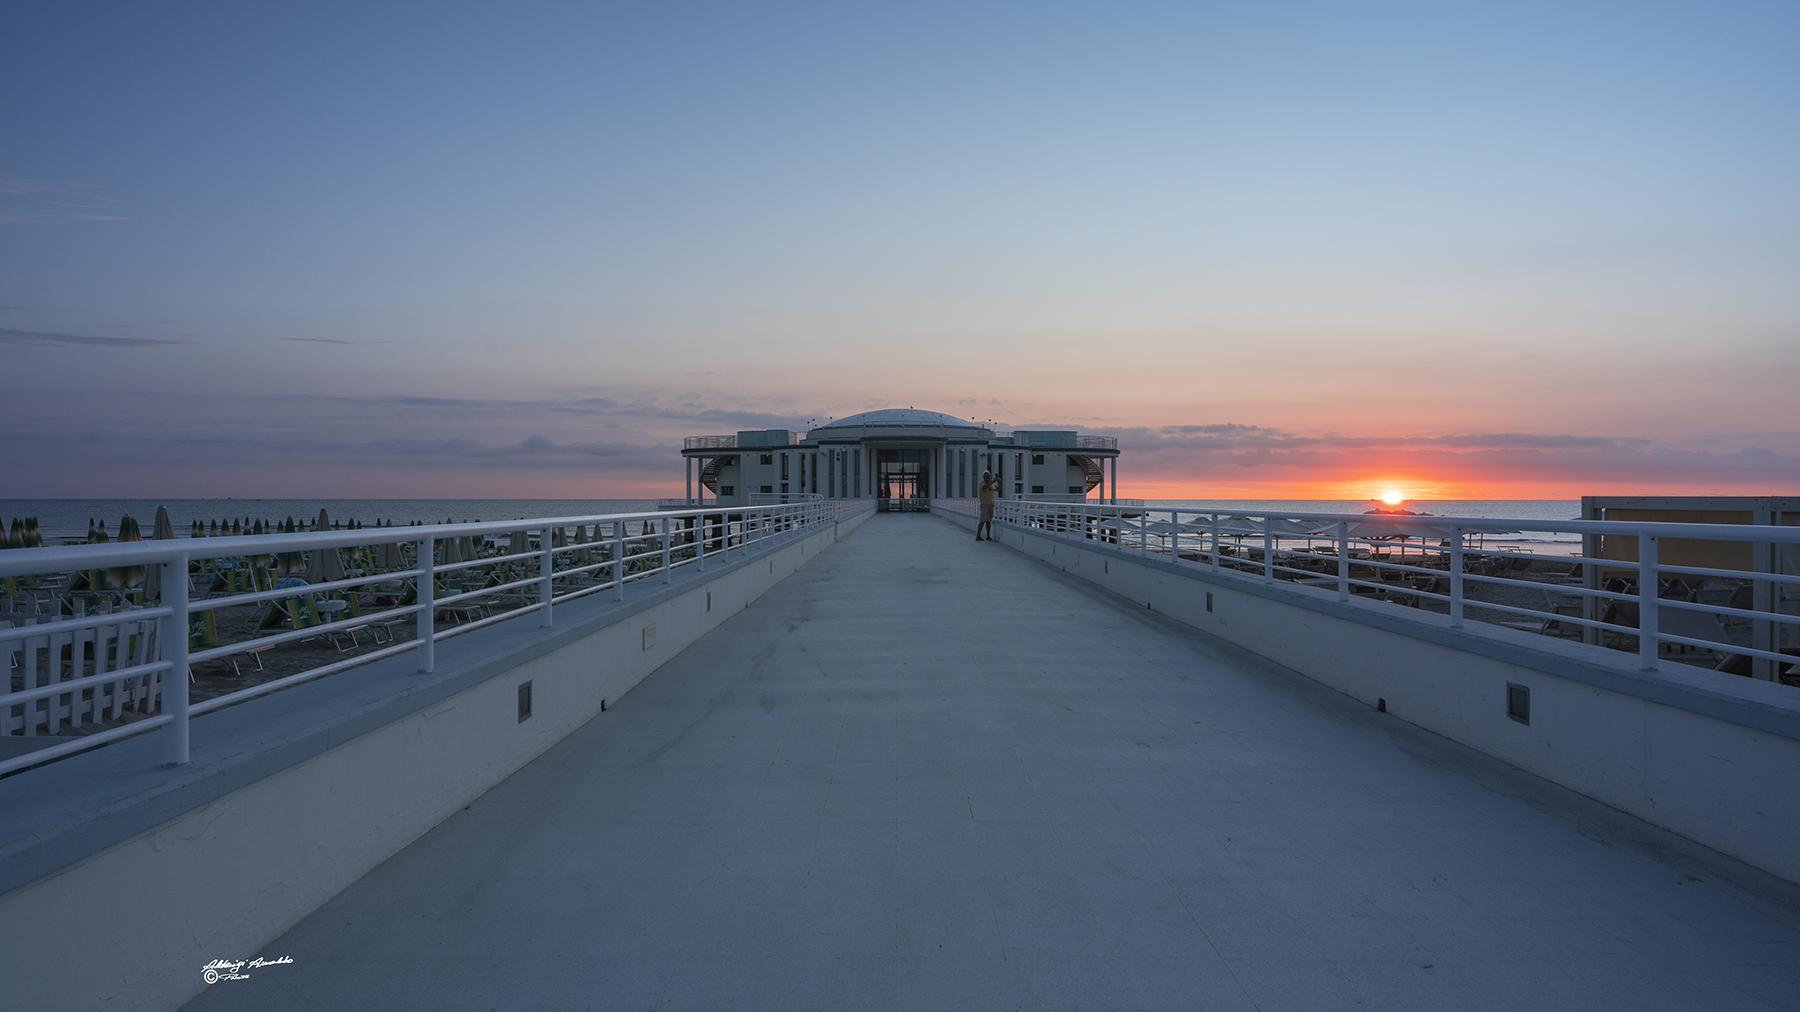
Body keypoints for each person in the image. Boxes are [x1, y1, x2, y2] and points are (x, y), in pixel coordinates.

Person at [976, 469, 1001, 541]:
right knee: (982, 520)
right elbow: (984, 487)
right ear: (984, 477)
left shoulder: (992, 485)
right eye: (987, 475)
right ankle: (978, 535)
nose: (988, 477)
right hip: (984, 504)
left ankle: (988, 535)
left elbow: (998, 489)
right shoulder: (982, 483)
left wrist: (999, 482)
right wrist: (993, 481)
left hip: (991, 504)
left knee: (988, 521)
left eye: (989, 475)